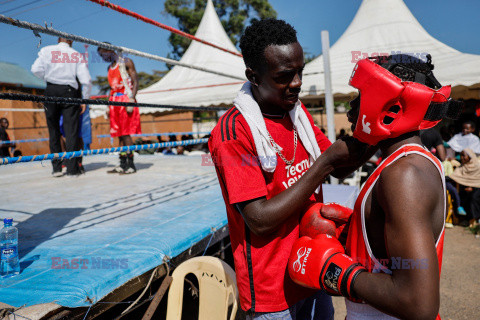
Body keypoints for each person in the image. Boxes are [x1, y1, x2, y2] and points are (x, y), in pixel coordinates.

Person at [208, 19, 374, 319]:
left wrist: (373, 131)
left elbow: (340, 171)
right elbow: (258, 219)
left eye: (300, 72)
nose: (297, 82)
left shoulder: (296, 113)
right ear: (254, 76)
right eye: (285, 75)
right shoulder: (233, 133)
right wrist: (324, 163)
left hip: (314, 266)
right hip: (272, 290)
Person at [288, 54, 462, 319]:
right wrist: (359, 233)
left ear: (389, 105)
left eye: (361, 93)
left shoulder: (404, 174)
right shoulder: (405, 163)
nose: (352, 103)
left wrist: (336, 273)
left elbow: (419, 305)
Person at [31, 37, 91, 177]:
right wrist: (85, 100)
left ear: (58, 39)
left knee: (53, 131)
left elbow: (35, 69)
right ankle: (71, 169)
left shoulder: (46, 50)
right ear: (71, 41)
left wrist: (50, 78)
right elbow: (86, 80)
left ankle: (57, 168)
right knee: (71, 132)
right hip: (69, 91)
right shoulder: (75, 54)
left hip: (51, 90)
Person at [97, 45, 141, 174]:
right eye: (100, 56)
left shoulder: (126, 62)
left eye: (103, 54)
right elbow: (112, 88)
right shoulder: (109, 67)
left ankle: (131, 164)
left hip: (125, 100)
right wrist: (108, 105)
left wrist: (131, 100)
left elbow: (135, 81)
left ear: (109, 50)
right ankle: (122, 163)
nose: (102, 58)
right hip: (114, 102)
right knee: (119, 135)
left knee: (126, 134)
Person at [449, 148, 480, 227]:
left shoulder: (478, 166)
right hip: (466, 189)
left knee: (474, 197)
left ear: (470, 156)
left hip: (477, 188)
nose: (461, 157)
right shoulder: (462, 168)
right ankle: (466, 219)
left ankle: (475, 220)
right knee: (460, 196)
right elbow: (454, 177)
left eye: (464, 155)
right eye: (461, 155)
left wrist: (473, 188)